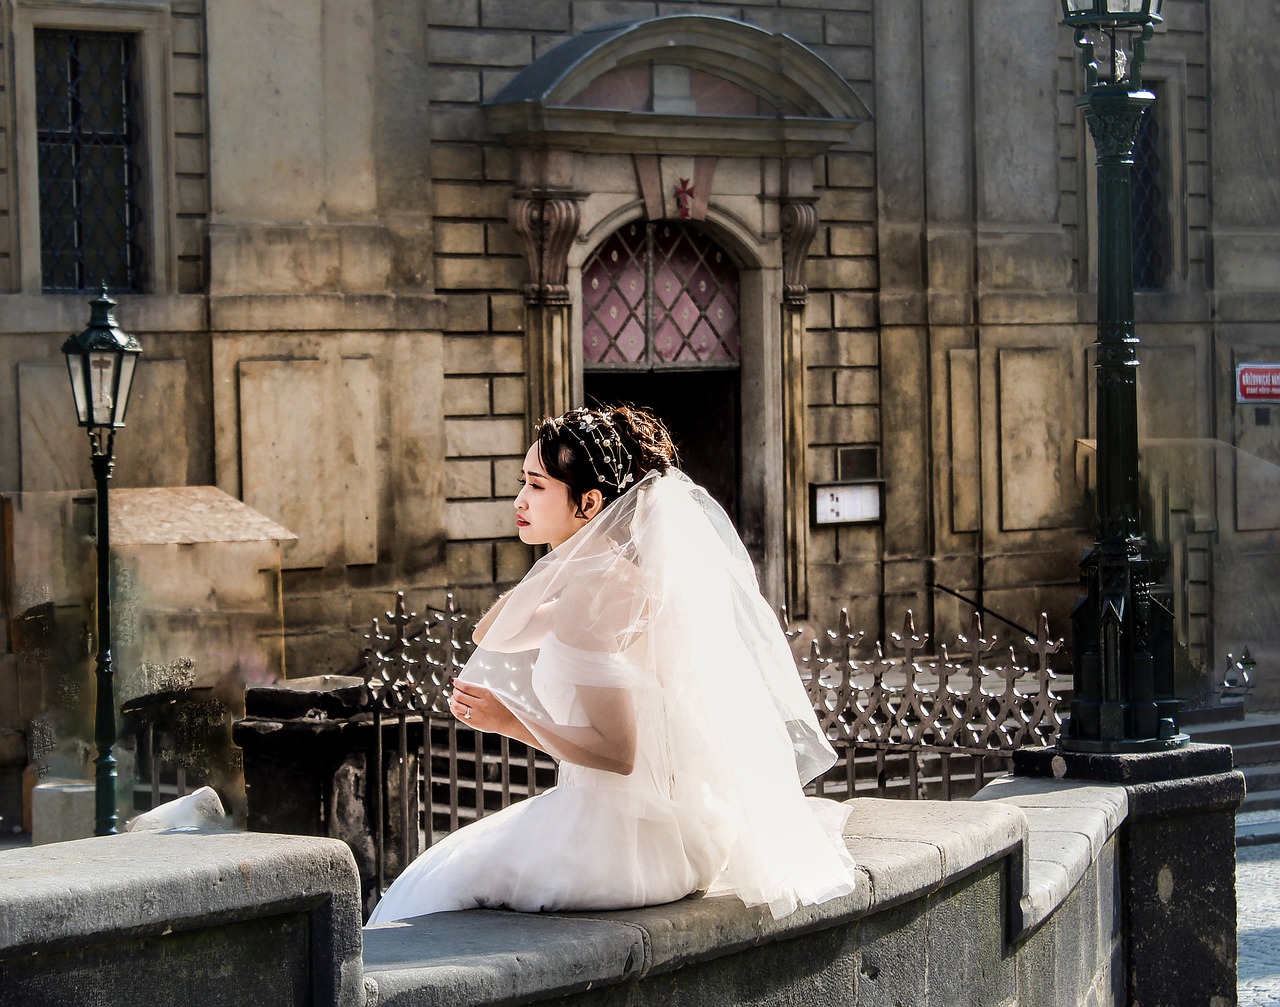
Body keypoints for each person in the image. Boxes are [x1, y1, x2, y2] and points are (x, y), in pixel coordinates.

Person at [366, 405, 856, 925]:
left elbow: (618, 752)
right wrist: (561, 559)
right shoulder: (610, 581)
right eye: (522, 483)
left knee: (424, 888)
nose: (519, 501)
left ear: (590, 502)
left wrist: (510, 720)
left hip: (616, 846)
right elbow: (490, 634)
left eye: (536, 486)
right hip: (681, 837)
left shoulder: (589, 601)